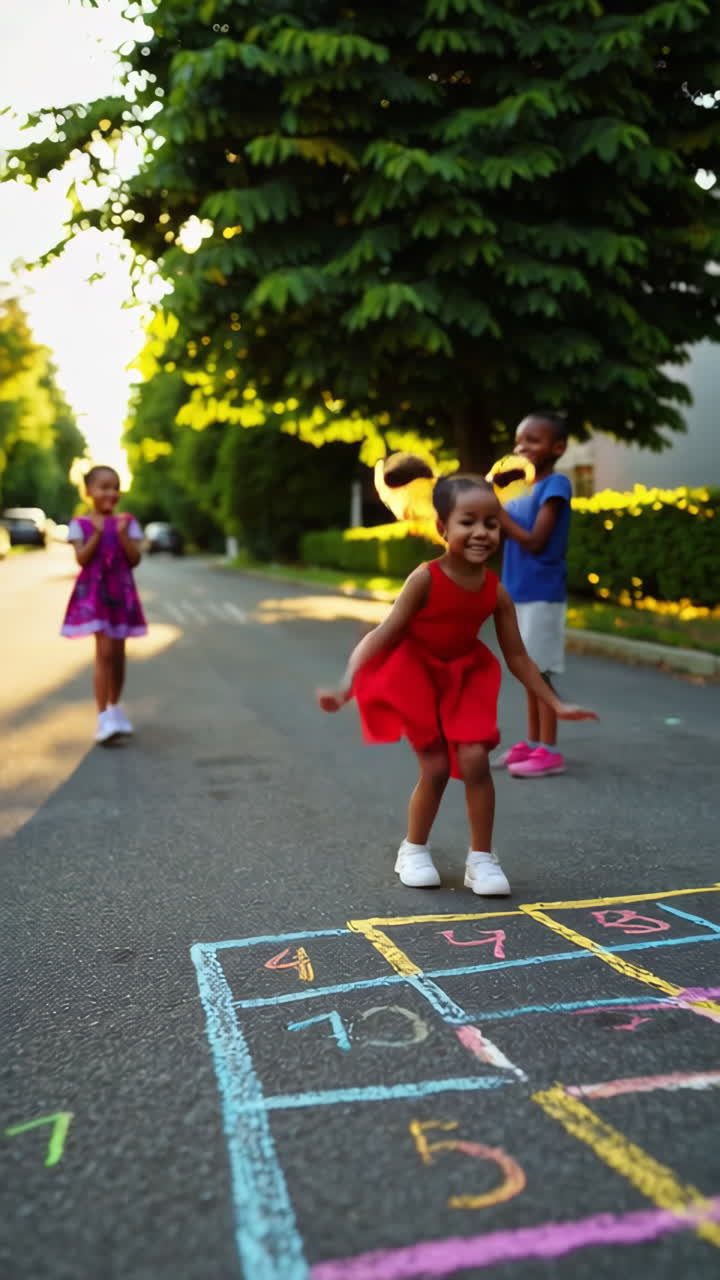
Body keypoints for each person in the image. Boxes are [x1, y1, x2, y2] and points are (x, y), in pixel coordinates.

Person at [316, 471, 596, 893]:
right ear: (442, 527)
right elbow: (383, 634)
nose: (482, 532)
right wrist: (346, 684)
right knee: (436, 767)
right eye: (469, 521)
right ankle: (413, 848)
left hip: (465, 676)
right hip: (416, 675)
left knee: (475, 761)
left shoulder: (495, 592)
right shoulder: (425, 578)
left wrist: (555, 704)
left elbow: (518, 657)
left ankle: (482, 859)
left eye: (492, 522)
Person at [494, 412, 574, 779]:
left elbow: (535, 540)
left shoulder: (555, 485)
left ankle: (550, 749)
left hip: (542, 591)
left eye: (533, 440)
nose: (522, 447)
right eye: (519, 441)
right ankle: (532, 741)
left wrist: (498, 513)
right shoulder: (519, 492)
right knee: (528, 671)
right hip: (517, 591)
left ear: (558, 448)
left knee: (539, 671)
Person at [61, 465, 147, 745]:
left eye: (115, 486)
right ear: (89, 492)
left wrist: (122, 534)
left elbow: (134, 559)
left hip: (121, 593)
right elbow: (82, 559)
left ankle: (115, 707)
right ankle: (102, 717)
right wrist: (97, 533)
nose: (111, 492)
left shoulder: (127, 522)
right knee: (105, 651)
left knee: (119, 653)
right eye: (104, 487)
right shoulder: (81, 524)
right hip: (94, 595)